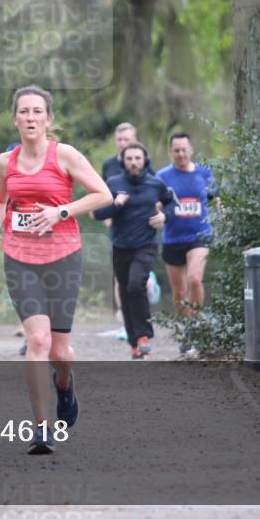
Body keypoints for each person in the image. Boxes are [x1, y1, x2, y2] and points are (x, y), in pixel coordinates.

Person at [0, 85, 111, 454]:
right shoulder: (5, 161)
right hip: (20, 257)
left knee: (60, 351)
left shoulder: (65, 155)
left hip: (63, 256)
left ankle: (65, 385)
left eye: (37, 111)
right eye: (24, 112)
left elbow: (101, 193)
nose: (31, 118)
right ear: (15, 119)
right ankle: (41, 428)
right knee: (36, 341)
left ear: (48, 119)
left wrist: (61, 211)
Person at [92, 143, 176, 359]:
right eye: (129, 159)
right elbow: (98, 213)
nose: (134, 162)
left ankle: (144, 336)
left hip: (145, 245)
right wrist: (116, 204)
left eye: (138, 158)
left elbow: (172, 204)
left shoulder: (156, 183)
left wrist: (165, 216)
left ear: (144, 160)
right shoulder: (113, 183)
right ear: (123, 161)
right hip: (120, 246)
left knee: (135, 284)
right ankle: (134, 343)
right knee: (125, 292)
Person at [156, 132, 220, 358]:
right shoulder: (162, 176)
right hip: (173, 239)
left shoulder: (204, 173)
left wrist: (222, 216)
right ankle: (188, 330)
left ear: (191, 149)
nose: (181, 154)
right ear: (171, 152)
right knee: (179, 293)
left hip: (199, 235)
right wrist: (159, 213)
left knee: (194, 279)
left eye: (184, 150)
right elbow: (156, 204)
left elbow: (215, 199)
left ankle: (197, 329)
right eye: (176, 150)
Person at [99, 123, 153, 329]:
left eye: (127, 140)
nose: (123, 144)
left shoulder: (142, 162)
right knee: (119, 276)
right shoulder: (109, 165)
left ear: (135, 140)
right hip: (118, 225)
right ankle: (124, 319)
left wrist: (157, 213)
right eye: (120, 140)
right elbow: (102, 191)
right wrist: (108, 213)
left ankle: (149, 284)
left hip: (141, 227)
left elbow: (156, 189)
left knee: (137, 279)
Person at [0, 143, 26, 356]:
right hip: (16, 241)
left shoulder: (52, 164)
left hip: (51, 244)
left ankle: (42, 333)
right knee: (23, 288)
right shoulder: (5, 167)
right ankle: (32, 332)